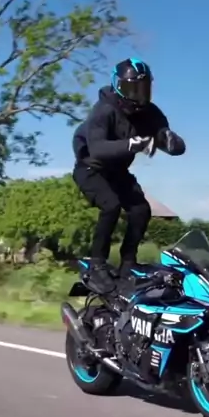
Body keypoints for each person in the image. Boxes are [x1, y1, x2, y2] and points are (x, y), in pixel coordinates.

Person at [72, 58, 186, 293]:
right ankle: (97, 264)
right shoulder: (104, 110)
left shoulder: (150, 113)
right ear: (118, 86)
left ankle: (128, 264)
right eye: (131, 89)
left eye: (143, 89)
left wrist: (171, 142)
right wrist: (132, 144)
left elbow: (169, 142)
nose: (138, 96)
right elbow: (98, 148)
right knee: (111, 206)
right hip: (91, 169)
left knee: (141, 210)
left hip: (118, 171)